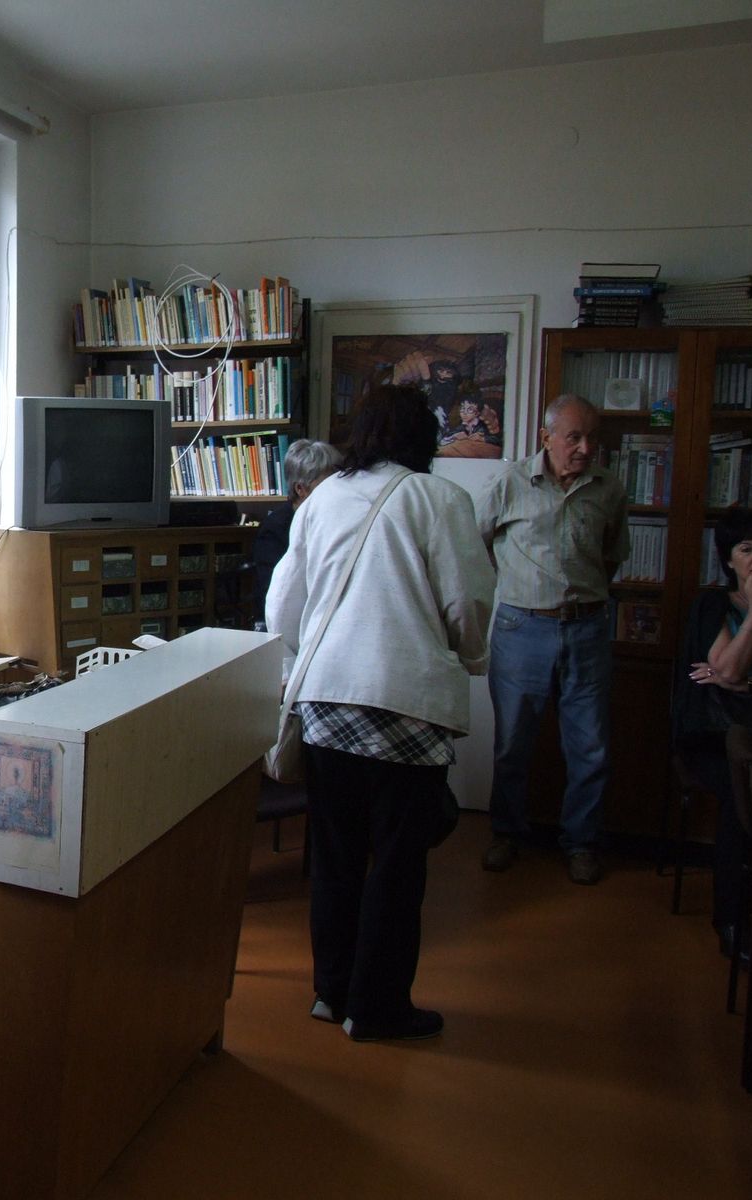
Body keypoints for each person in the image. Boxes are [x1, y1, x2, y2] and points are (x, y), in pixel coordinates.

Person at [267, 384, 494, 1042]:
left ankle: (331, 991)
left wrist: (301, 663)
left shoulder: (323, 498)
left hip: (327, 699)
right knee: (397, 860)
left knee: (335, 854)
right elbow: (468, 602)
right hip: (405, 705)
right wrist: (470, 656)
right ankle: (377, 1007)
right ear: (423, 439)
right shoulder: (439, 500)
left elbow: (284, 603)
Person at [477, 394, 628, 885]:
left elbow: (612, 555)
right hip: (521, 628)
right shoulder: (510, 483)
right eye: (574, 437)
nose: (585, 448)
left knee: (590, 747)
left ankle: (581, 843)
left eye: (592, 438)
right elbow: (474, 542)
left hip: (588, 629)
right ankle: (506, 833)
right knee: (512, 744)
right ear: (546, 438)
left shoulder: (608, 489)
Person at [686, 507, 752, 956]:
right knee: (743, 795)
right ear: (728, 559)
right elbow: (728, 669)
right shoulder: (713, 605)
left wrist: (749, 684)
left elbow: (733, 676)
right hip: (715, 737)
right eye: (746, 548)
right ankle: (733, 921)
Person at [249, 439, 343, 626]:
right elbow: (275, 591)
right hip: (280, 622)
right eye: (327, 484)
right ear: (300, 489)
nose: (337, 490)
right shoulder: (275, 527)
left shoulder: (333, 518)